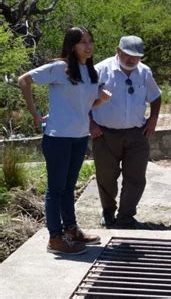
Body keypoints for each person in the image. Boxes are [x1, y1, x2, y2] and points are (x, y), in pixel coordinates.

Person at [18, 27, 111, 255]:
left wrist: (101, 101)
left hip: (79, 137)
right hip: (58, 137)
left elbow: (84, 106)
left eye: (90, 41)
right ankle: (55, 238)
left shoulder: (90, 72)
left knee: (69, 187)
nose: (88, 46)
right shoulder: (60, 68)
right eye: (82, 42)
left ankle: (71, 230)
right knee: (56, 189)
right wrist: (35, 114)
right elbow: (24, 80)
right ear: (71, 46)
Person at [89, 36, 161, 228]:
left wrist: (153, 119)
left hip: (137, 134)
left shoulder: (144, 72)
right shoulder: (99, 70)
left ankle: (126, 217)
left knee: (136, 177)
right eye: (128, 55)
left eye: (136, 57)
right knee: (106, 177)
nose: (131, 60)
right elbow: (83, 100)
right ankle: (108, 212)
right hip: (104, 134)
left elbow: (155, 97)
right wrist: (91, 123)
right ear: (118, 51)